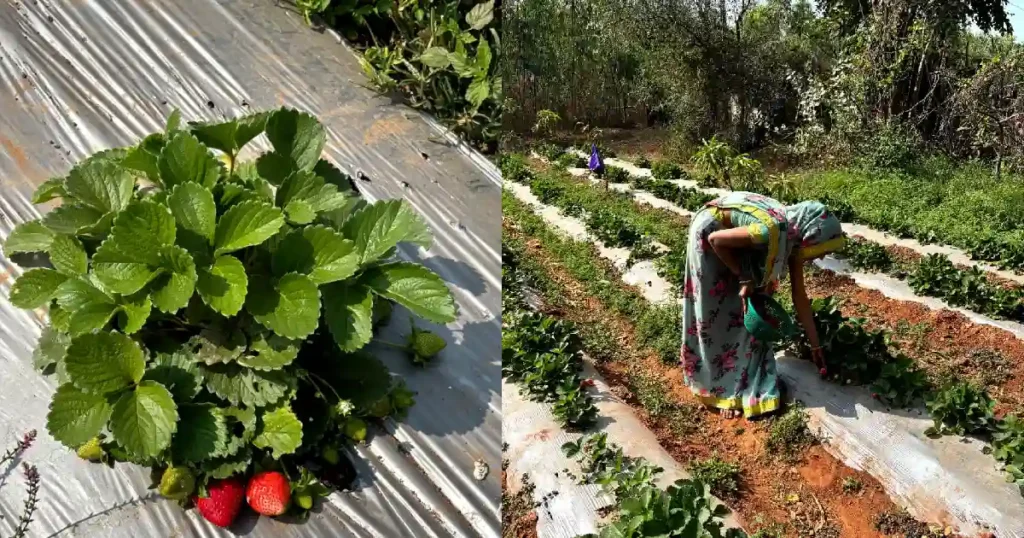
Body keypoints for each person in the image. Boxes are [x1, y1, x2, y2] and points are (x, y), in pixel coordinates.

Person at [680, 191, 845, 419]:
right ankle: (719, 388)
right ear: (812, 234)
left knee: (748, 305)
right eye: (821, 248)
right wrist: (744, 277)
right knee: (717, 313)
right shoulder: (771, 230)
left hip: (738, 241)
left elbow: (799, 295)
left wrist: (815, 345)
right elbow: (716, 240)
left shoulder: (792, 238)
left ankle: (740, 380)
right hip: (711, 233)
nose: (818, 256)